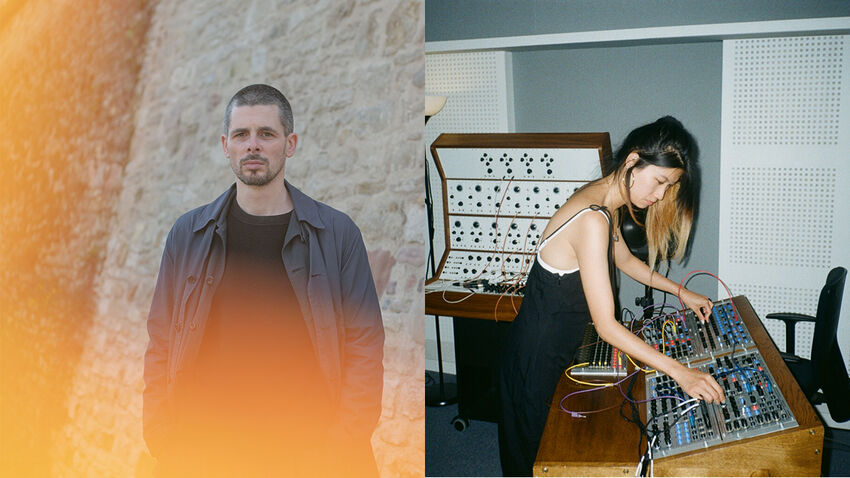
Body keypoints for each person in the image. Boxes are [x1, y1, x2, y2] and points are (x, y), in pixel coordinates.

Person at [143, 84, 384, 477]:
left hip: (305, 449)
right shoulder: (188, 233)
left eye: (266, 134)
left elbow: (365, 345)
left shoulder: (337, 233)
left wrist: (342, 444)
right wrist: (159, 431)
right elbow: (161, 337)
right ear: (226, 145)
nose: (252, 145)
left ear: (290, 143)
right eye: (241, 134)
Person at [498, 116, 726, 477]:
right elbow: (607, 325)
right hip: (539, 356)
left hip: (560, 345)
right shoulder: (592, 219)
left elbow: (624, 260)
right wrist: (681, 372)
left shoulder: (606, 204)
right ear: (634, 161)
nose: (661, 195)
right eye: (661, 182)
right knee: (537, 459)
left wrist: (682, 292)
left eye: (669, 187)